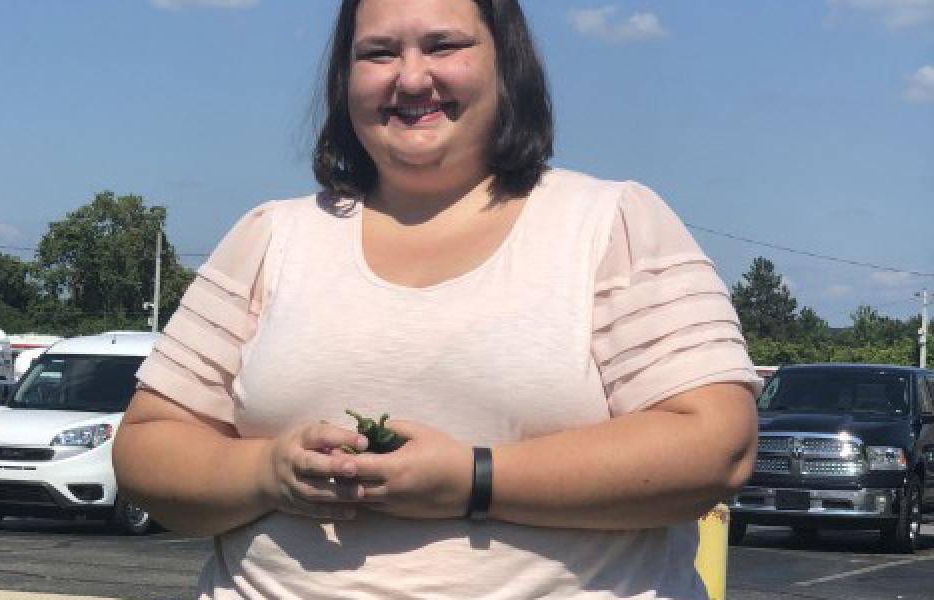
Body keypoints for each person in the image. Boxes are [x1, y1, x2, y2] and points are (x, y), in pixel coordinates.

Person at [113, 0, 761, 598]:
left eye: (444, 45)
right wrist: (265, 472)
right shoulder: (270, 236)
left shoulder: (610, 223)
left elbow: (716, 446)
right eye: (379, 53)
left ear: (507, 64)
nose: (412, 78)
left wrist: (474, 481)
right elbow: (148, 449)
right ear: (344, 79)